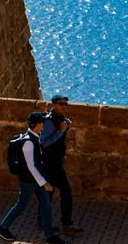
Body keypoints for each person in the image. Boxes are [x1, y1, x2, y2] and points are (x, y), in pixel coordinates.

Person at [0, 112, 70, 244]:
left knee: (46, 206)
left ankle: (49, 236)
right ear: (38, 124)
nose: (44, 126)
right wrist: (44, 183)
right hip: (29, 182)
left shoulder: (35, 137)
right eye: (42, 123)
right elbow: (31, 166)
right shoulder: (28, 142)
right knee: (21, 205)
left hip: (36, 180)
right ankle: (2, 228)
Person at [41, 94, 83, 236]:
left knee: (49, 192)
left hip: (55, 161)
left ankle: (42, 221)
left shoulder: (59, 118)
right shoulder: (48, 121)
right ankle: (67, 224)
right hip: (50, 163)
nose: (64, 106)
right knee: (66, 191)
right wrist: (61, 131)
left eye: (66, 104)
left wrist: (64, 126)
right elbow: (45, 143)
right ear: (53, 105)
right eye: (61, 103)